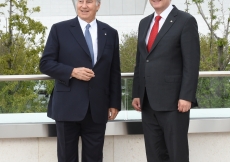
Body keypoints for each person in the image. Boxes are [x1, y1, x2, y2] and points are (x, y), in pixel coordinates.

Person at [39, 0, 121, 161]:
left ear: (98, 5)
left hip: (98, 108)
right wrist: (72, 71)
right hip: (66, 106)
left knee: (94, 157)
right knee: (67, 157)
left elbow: (114, 71)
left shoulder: (110, 32)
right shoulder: (59, 29)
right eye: (80, 1)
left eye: (89, 2)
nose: (83, 6)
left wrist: (114, 103)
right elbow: (45, 64)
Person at [132, 0, 200, 161]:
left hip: (174, 102)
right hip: (147, 102)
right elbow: (141, 61)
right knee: (154, 154)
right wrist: (137, 93)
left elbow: (191, 63)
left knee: (177, 154)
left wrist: (186, 96)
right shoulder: (144, 23)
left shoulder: (186, 20)